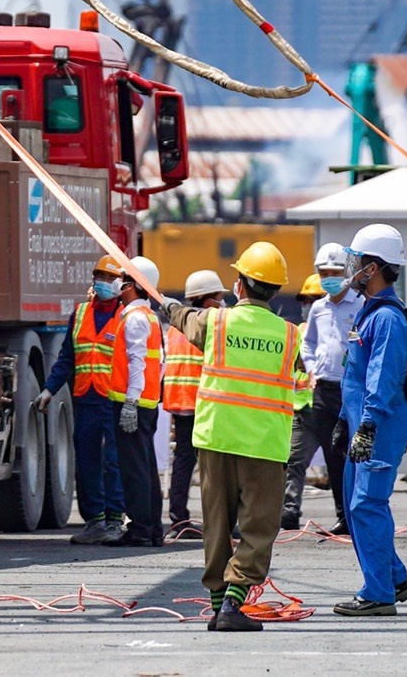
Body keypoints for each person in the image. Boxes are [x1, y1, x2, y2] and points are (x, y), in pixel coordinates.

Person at [147, 241, 304, 632]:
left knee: (216, 525)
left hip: (217, 438)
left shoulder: (217, 323)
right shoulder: (289, 335)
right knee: (259, 528)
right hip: (264, 445)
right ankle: (232, 603)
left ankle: (220, 605)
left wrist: (169, 307)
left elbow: (185, 318)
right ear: (275, 290)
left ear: (240, 285)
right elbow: (304, 373)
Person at [335, 222, 407, 617]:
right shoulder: (369, 312)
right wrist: (343, 421)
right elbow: (355, 373)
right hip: (361, 426)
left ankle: (379, 594)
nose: (351, 269)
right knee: (357, 506)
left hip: (377, 427)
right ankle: (395, 578)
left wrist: (366, 425)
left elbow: (382, 378)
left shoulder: (387, 319)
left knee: (367, 504)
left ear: (374, 267)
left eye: (357, 261)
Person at [40, 254, 131, 544]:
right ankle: (95, 521)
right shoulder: (80, 313)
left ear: (121, 284)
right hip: (86, 398)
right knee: (87, 459)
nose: (102, 282)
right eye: (99, 277)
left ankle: (115, 520)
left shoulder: (127, 316)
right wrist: (49, 389)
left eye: (109, 278)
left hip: (113, 399)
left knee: (113, 461)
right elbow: (67, 358)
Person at [285, 242, 357, 532]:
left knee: (352, 455)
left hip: (351, 390)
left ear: (346, 273)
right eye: (324, 272)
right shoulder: (319, 309)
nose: (329, 277)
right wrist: (313, 368)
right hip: (323, 390)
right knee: (332, 456)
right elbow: (309, 343)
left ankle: (356, 514)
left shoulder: (361, 305)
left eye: (334, 272)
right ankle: (343, 517)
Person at [163, 270, 224, 540]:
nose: (222, 303)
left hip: (180, 400)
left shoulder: (177, 325)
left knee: (184, 460)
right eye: (219, 297)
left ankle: (179, 518)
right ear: (208, 299)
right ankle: (218, 520)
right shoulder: (209, 322)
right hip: (204, 401)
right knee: (213, 464)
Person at [114, 257, 167, 546]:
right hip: (146, 402)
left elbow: (137, 362)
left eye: (123, 279)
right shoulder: (149, 317)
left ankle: (140, 529)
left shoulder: (135, 318)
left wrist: (130, 402)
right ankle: (152, 529)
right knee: (145, 467)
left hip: (132, 403)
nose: (117, 284)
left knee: (134, 469)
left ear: (133, 285)